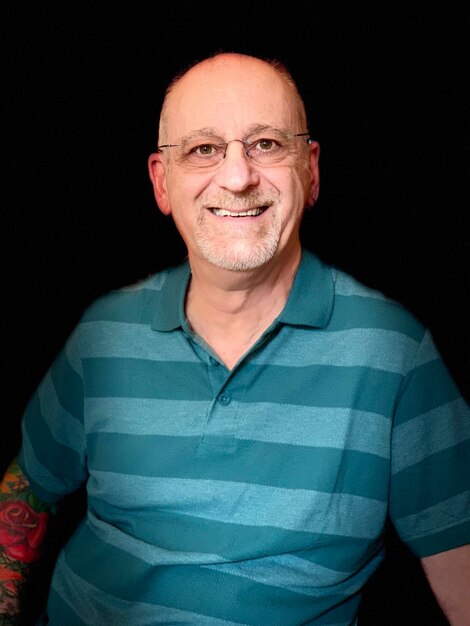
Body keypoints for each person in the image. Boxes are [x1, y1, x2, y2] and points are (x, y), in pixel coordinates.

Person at [1, 52, 469, 626]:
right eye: (203, 150)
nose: (238, 176)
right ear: (161, 183)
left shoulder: (393, 350)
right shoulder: (102, 333)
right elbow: (29, 484)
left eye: (267, 144)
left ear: (311, 170)